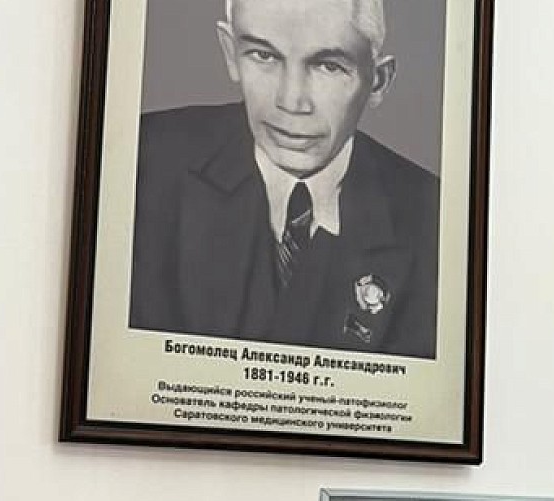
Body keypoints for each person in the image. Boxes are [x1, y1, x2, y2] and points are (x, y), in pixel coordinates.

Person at [129, 0, 439, 359]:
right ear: (231, 53)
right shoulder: (141, 164)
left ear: (378, 82)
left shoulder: (436, 224)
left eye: (328, 66)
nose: (291, 102)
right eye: (264, 56)